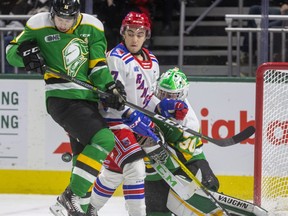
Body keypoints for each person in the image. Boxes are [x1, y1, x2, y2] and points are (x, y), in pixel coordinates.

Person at [5, 1, 157, 216]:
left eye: (69, 19)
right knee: (104, 140)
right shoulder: (38, 24)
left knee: (82, 158)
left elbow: (97, 65)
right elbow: (11, 52)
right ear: (52, 14)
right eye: (59, 19)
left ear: (77, 15)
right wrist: (25, 54)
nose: (64, 24)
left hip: (88, 100)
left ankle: (83, 209)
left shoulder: (93, 26)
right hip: (62, 98)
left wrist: (110, 87)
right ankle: (70, 197)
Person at [85, 12, 188, 216]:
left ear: (146, 35)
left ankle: (87, 209)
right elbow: (111, 97)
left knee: (114, 174)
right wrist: (131, 115)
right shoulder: (115, 57)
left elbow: (147, 98)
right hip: (113, 121)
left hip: (134, 122)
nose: (134, 39)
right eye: (130, 33)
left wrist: (163, 106)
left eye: (139, 34)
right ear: (123, 33)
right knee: (136, 169)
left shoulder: (153, 60)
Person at [144, 67, 219, 215]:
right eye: (162, 93)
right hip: (153, 164)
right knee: (155, 208)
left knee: (208, 185)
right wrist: (158, 110)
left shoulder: (189, 121)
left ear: (182, 94)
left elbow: (182, 156)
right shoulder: (150, 98)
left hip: (187, 160)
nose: (165, 98)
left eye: (171, 95)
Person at [240, 0, 288, 64]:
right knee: (254, 9)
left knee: (270, 26)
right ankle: (247, 53)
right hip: (281, 7)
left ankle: (259, 31)